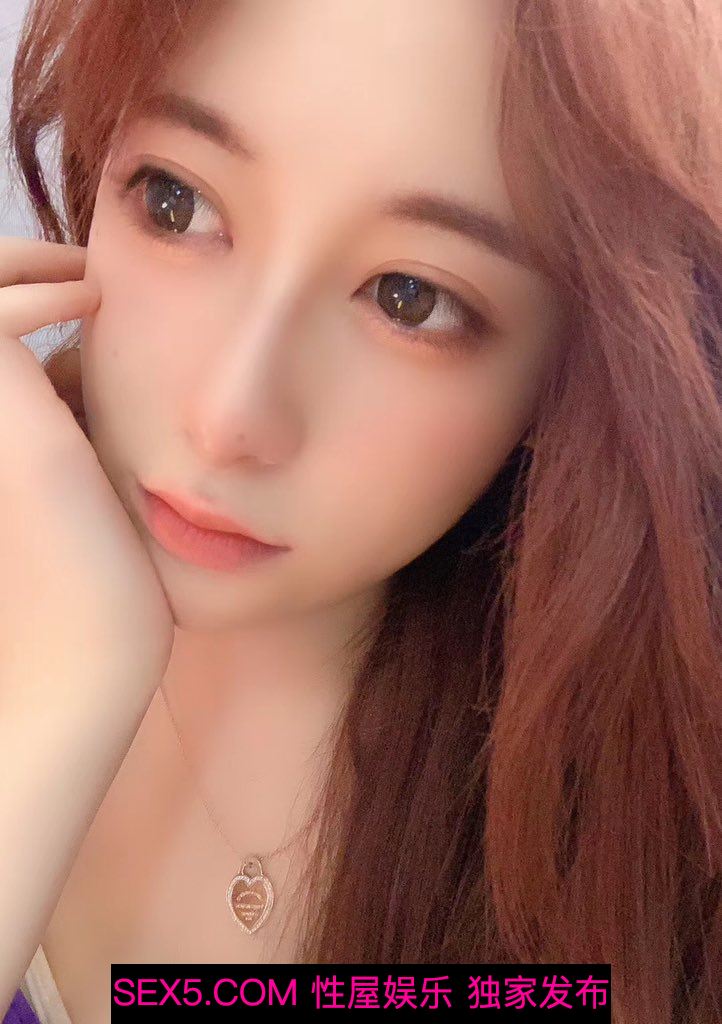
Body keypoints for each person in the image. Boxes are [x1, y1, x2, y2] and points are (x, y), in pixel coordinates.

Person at [0, 0, 720, 1021]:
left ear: (566, 380)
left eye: (408, 298)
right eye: (174, 201)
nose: (227, 417)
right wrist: (60, 695)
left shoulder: (628, 840)